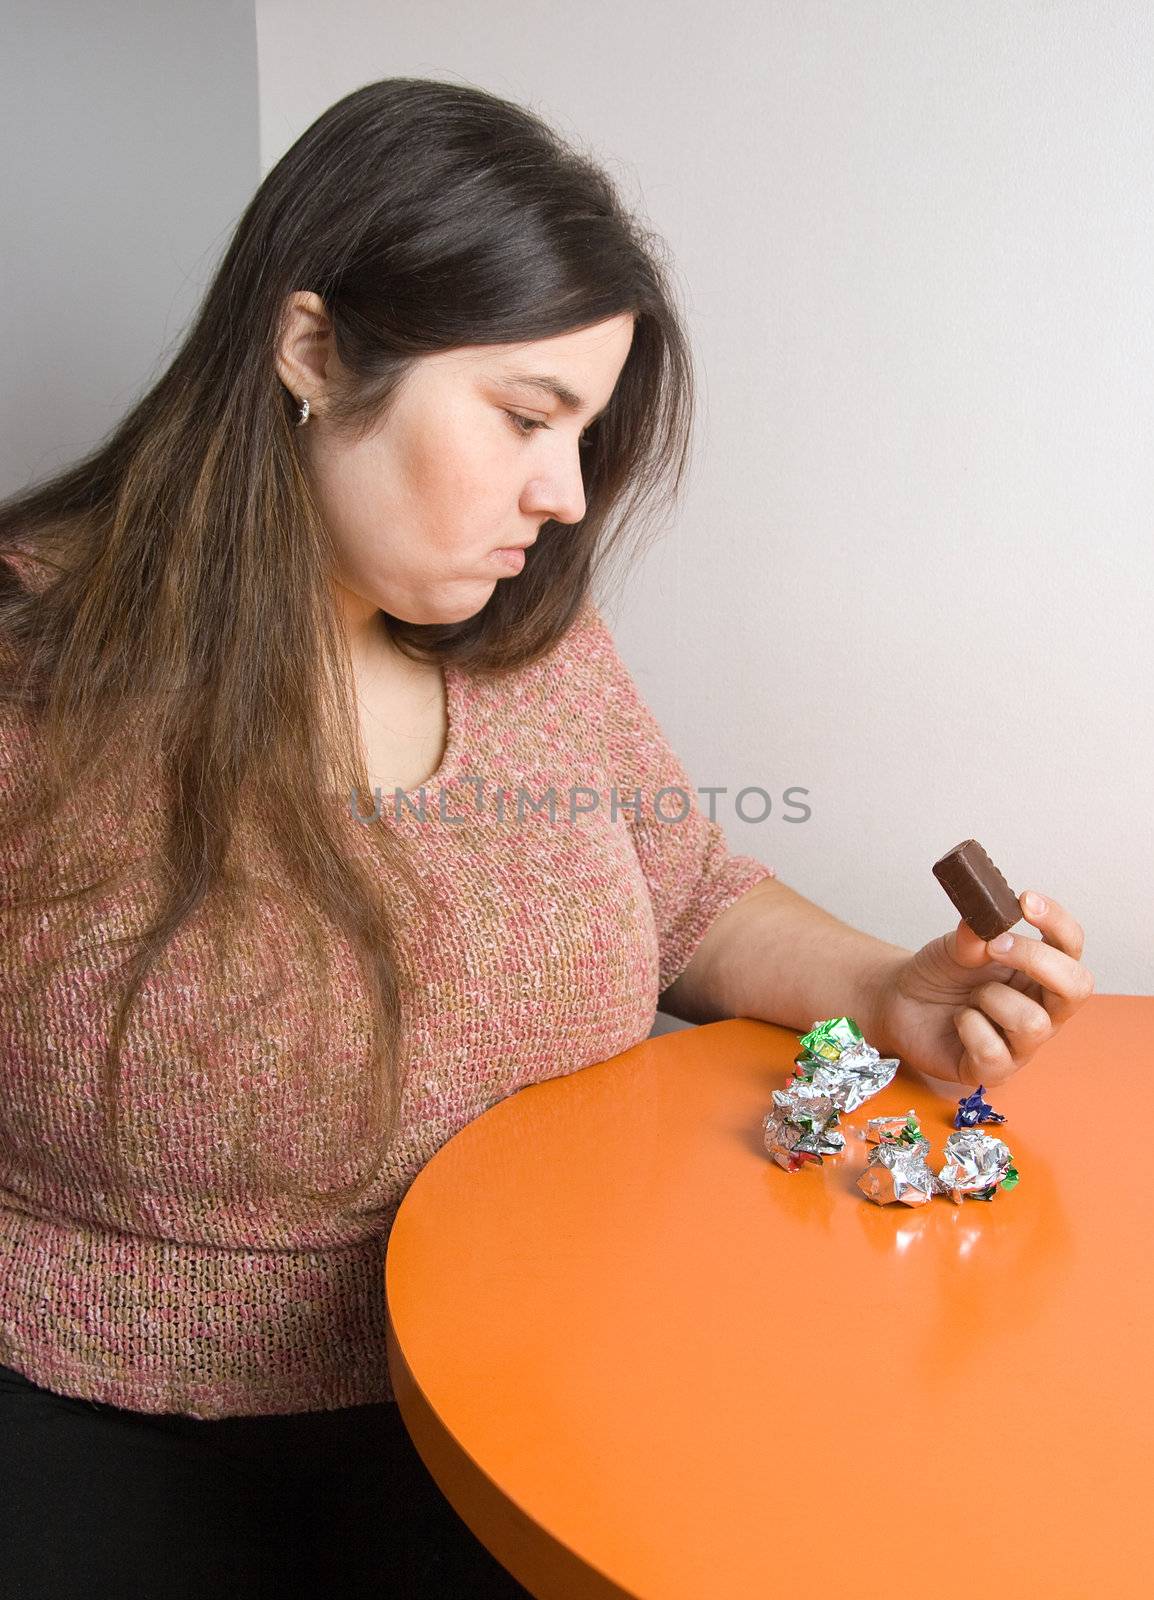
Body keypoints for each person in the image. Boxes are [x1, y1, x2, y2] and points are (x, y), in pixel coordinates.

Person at [0, 77, 1094, 1599]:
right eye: (524, 417)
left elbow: (686, 896)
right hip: (111, 1435)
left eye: (582, 433)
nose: (565, 497)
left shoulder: (531, 653)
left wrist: (890, 992)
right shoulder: (24, 679)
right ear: (312, 349)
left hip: (540, 1382)